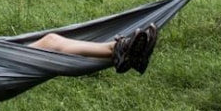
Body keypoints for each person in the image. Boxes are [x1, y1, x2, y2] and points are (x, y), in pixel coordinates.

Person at [28, 23, 158, 74]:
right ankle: (120, 49)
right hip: (7, 61)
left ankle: (126, 53)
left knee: (51, 41)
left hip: (7, 56)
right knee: (50, 43)